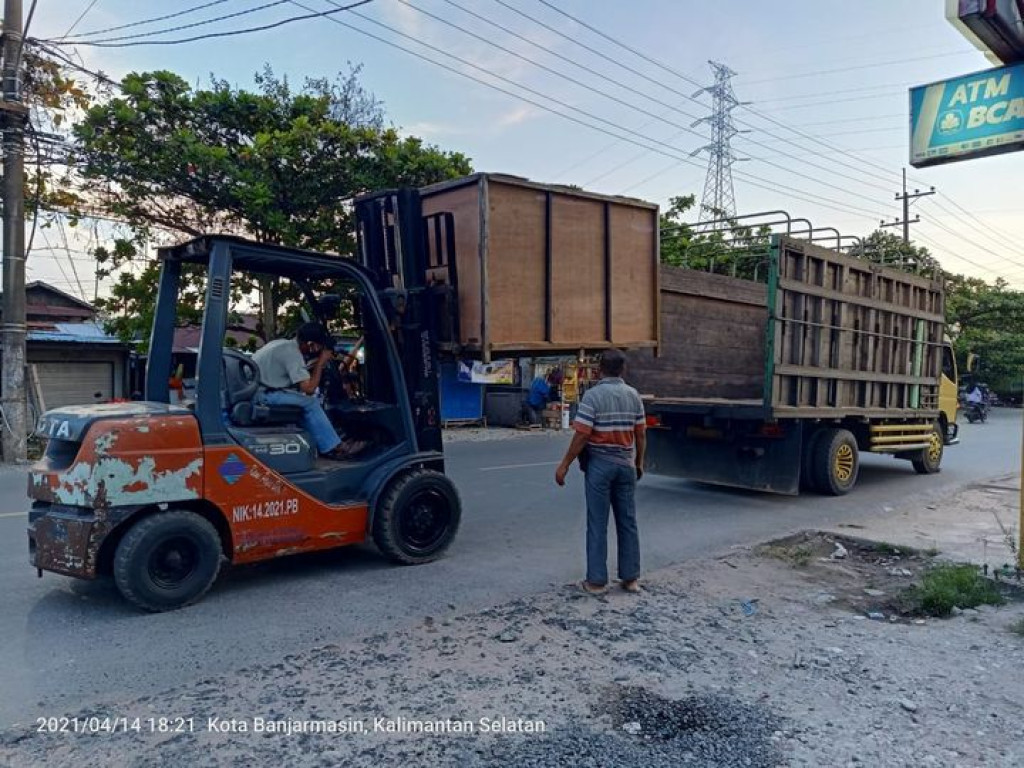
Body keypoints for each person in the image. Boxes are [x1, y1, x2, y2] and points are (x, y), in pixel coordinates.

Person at [555, 349, 646, 594]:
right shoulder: (634, 396)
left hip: (600, 466)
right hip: (626, 464)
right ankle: (631, 578)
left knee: (597, 522)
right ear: (623, 370)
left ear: (599, 370)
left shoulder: (593, 397)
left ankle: (596, 581)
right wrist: (638, 462)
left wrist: (564, 464)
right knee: (627, 522)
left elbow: (582, 434)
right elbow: (640, 433)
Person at [252, 323, 366, 459]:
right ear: (310, 343)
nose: (317, 349)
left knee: (302, 402)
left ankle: (322, 442)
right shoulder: (292, 353)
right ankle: (336, 448)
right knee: (310, 403)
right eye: (318, 346)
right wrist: (321, 362)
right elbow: (309, 389)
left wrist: (313, 365)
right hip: (263, 395)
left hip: (258, 390)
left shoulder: (282, 344)